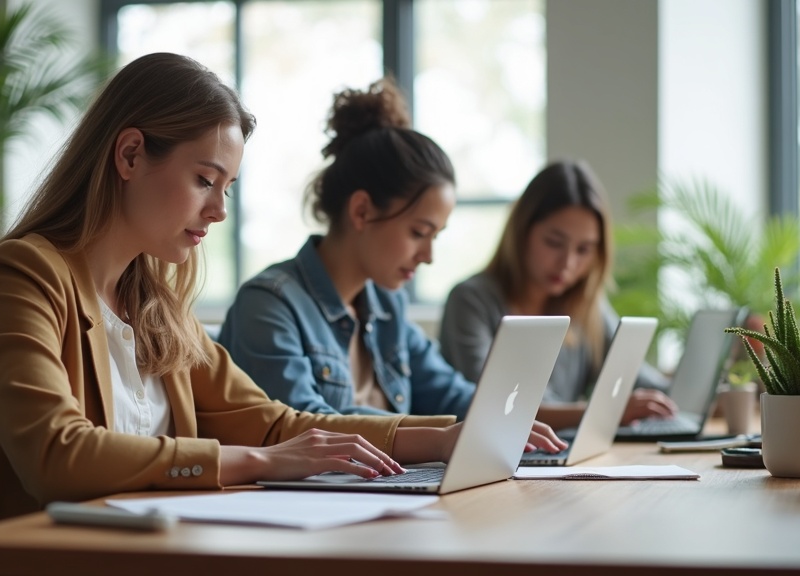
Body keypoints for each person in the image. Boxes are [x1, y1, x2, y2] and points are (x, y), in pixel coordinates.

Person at [0, 54, 564, 523]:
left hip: (145, 548)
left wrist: (444, 437)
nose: (218, 211)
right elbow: (57, 455)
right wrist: (259, 464)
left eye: (227, 188)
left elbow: (278, 425)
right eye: (206, 179)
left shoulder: (154, 306)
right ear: (129, 156)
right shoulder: (23, 274)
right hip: (26, 554)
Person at [218, 77, 564, 447]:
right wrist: (439, 438)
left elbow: (454, 397)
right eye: (419, 232)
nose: (428, 256)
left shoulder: (386, 305)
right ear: (362, 211)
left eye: (436, 236)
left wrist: (561, 417)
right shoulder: (269, 304)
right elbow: (302, 426)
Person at [439, 160, 676, 431]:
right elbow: (495, 407)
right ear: (522, 232)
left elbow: (644, 384)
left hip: (555, 460)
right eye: (554, 243)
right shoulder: (471, 301)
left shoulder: (587, 307)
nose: (567, 263)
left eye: (584, 249)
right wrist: (605, 411)